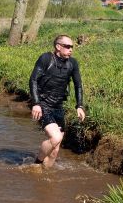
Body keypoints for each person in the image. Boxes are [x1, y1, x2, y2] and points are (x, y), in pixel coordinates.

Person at [29, 35, 85, 168]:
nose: (70, 49)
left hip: (59, 107)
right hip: (43, 105)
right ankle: (37, 164)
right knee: (56, 138)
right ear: (58, 47)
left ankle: (45, 178)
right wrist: (36, 103)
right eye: (67, 46)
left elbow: (78, 85)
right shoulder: (46, 58)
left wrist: (80, 105)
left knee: (55, 150)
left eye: (72, 47)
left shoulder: (73, 63)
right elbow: (33, 80)